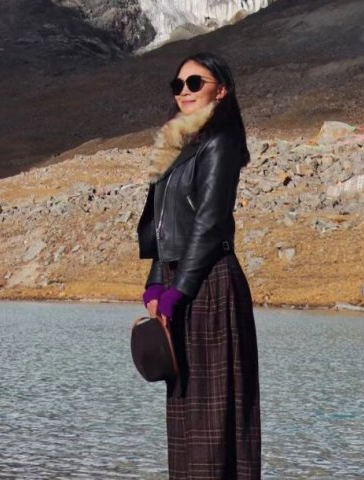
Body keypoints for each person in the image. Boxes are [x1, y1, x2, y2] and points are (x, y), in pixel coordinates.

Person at [136, 53, 261, 480]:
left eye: (195, 83)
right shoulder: (175, 148)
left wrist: (177, 293)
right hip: (180, 284)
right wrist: (155, 286)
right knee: (186, 411)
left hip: (210, 284)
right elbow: (161, 227)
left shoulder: (220, 141)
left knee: (215, 412)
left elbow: (208, 223)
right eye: (178, 85)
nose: (184, 92)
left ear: (220, 90)